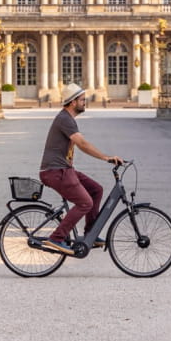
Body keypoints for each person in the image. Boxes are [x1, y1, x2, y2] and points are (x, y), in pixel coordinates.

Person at [38, 83, 122, 255]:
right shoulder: (64, 119)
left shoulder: (68, 119)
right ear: (73, 102)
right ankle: (56, 238)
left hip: (64, 170)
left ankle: (91, 234)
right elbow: (82, 143)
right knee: (85, 203)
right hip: (55, 171)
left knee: (96, 190)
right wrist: (105, 157)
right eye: (82, 100)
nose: (85, 102)